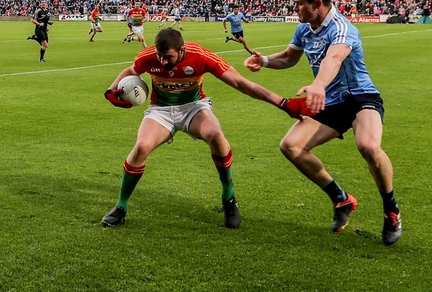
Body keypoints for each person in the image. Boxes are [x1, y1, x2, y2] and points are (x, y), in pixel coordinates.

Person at [101, 28, 313, 229]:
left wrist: (282, 103)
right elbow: (131, 71)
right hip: (161, 109)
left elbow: (240, 83)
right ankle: (121, 207)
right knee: (141, 147)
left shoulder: (201, 56)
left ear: (182, 50)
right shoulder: (148, 56)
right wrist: (111, 90)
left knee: (216, 135)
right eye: (160, 56)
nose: (163, 61)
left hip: (193, 107)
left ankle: (228, 197)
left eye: (168, 57)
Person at [244, 0, 402, 246]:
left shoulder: (341, 28)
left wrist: (318, 85)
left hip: (360, 97)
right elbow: (289, 57)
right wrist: (266, 61)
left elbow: (334, 58)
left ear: (317, 4)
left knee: (368, 146)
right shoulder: (304, 28)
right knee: (291, 146)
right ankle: (341, 199)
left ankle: (391, 210)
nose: (295, 9)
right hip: (330, 101)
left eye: (299, 4)